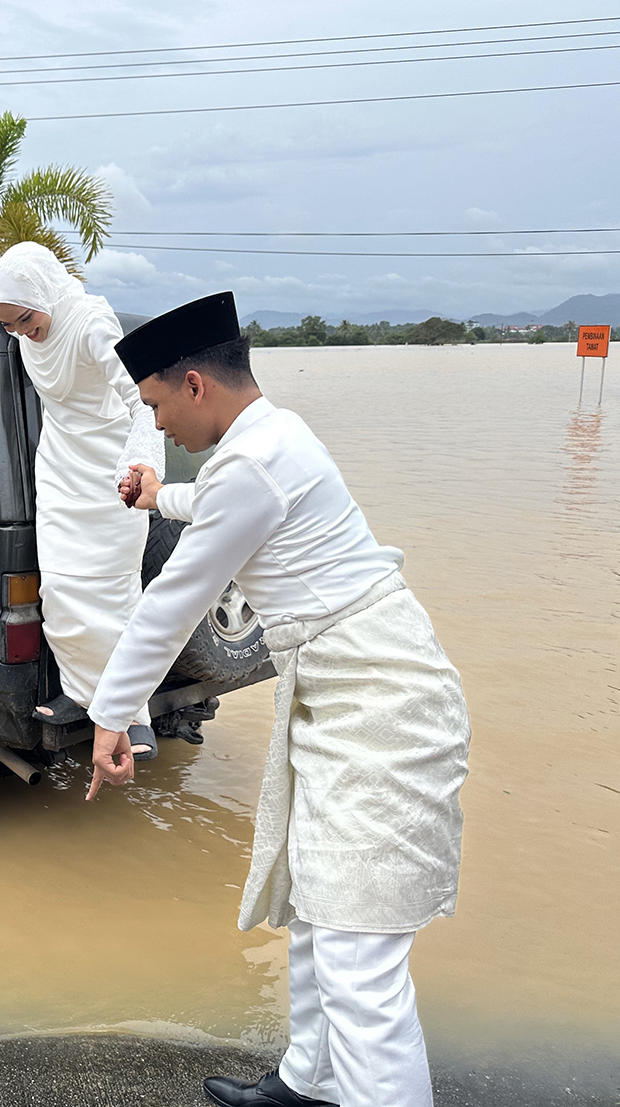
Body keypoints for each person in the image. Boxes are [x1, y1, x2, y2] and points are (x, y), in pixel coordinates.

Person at [86, 292, 470, 1107]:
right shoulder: (269, 438)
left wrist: (110, 715)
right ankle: (310, 1082)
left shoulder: (252, 464)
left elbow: (171, 602)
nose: (156, 426)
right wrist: (159, 496)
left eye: (155, 406)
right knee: (315, 896)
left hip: (381, 705)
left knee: (358, 955)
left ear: (194, 385)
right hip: (345, 693)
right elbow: (225, 502)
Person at [0, 241, 166, 758]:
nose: (21, 332)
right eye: (10, 325)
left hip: (110, 470)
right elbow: (10, 304)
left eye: (26, 320)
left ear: (45, 294)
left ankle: (134, 712)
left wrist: (143, 465)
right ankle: (81, 695)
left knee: (114, 594)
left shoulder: (89, 325)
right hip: (59, 468)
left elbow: (141, 401)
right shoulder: (23, 312)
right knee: (58, 591)